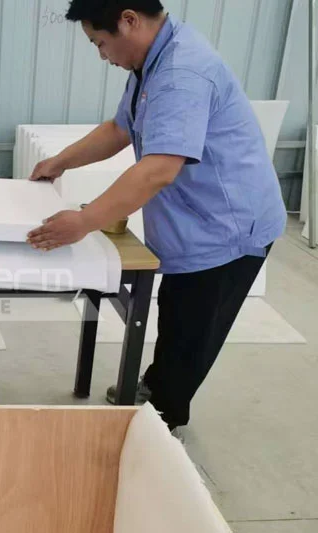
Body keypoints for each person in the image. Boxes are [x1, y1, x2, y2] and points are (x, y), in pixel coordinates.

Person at [27, 0, 286, 430]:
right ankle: (156, 388)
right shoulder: (152, 61)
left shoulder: (182, 73)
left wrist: (83, 222)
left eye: (100, 42)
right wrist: (60, 162)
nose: (102, 55)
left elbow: (159, 169)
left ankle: (161, 425)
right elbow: (120, 128)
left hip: (227, 227)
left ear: (129, 20)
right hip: (196, 218)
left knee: (191, 333)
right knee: (178, 316)